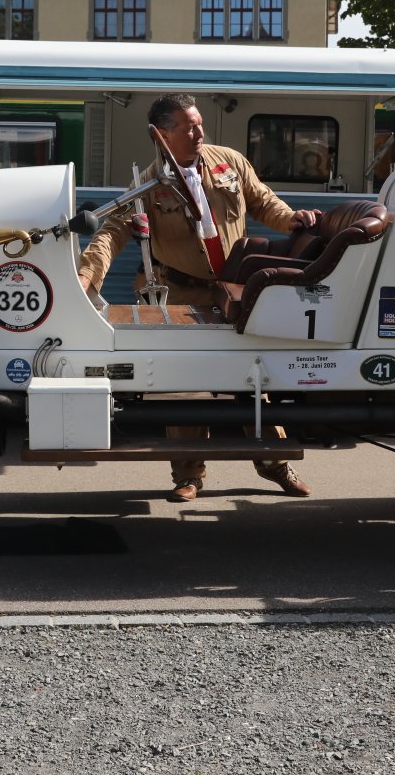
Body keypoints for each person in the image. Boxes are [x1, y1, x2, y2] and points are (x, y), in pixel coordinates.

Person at [77, 93, 317, 503]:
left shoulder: (229, 161)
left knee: (252, 376)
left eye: (200, 123)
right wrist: (86, 277)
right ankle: (188, 475)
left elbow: (263, 200)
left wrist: (291, 218)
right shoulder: (148, 183)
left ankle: (275, 464)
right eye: (189, 127)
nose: (199, 132)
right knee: (185, 384)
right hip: (180, 293)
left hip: (234, 289)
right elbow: (111, 233)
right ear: (162, 135)